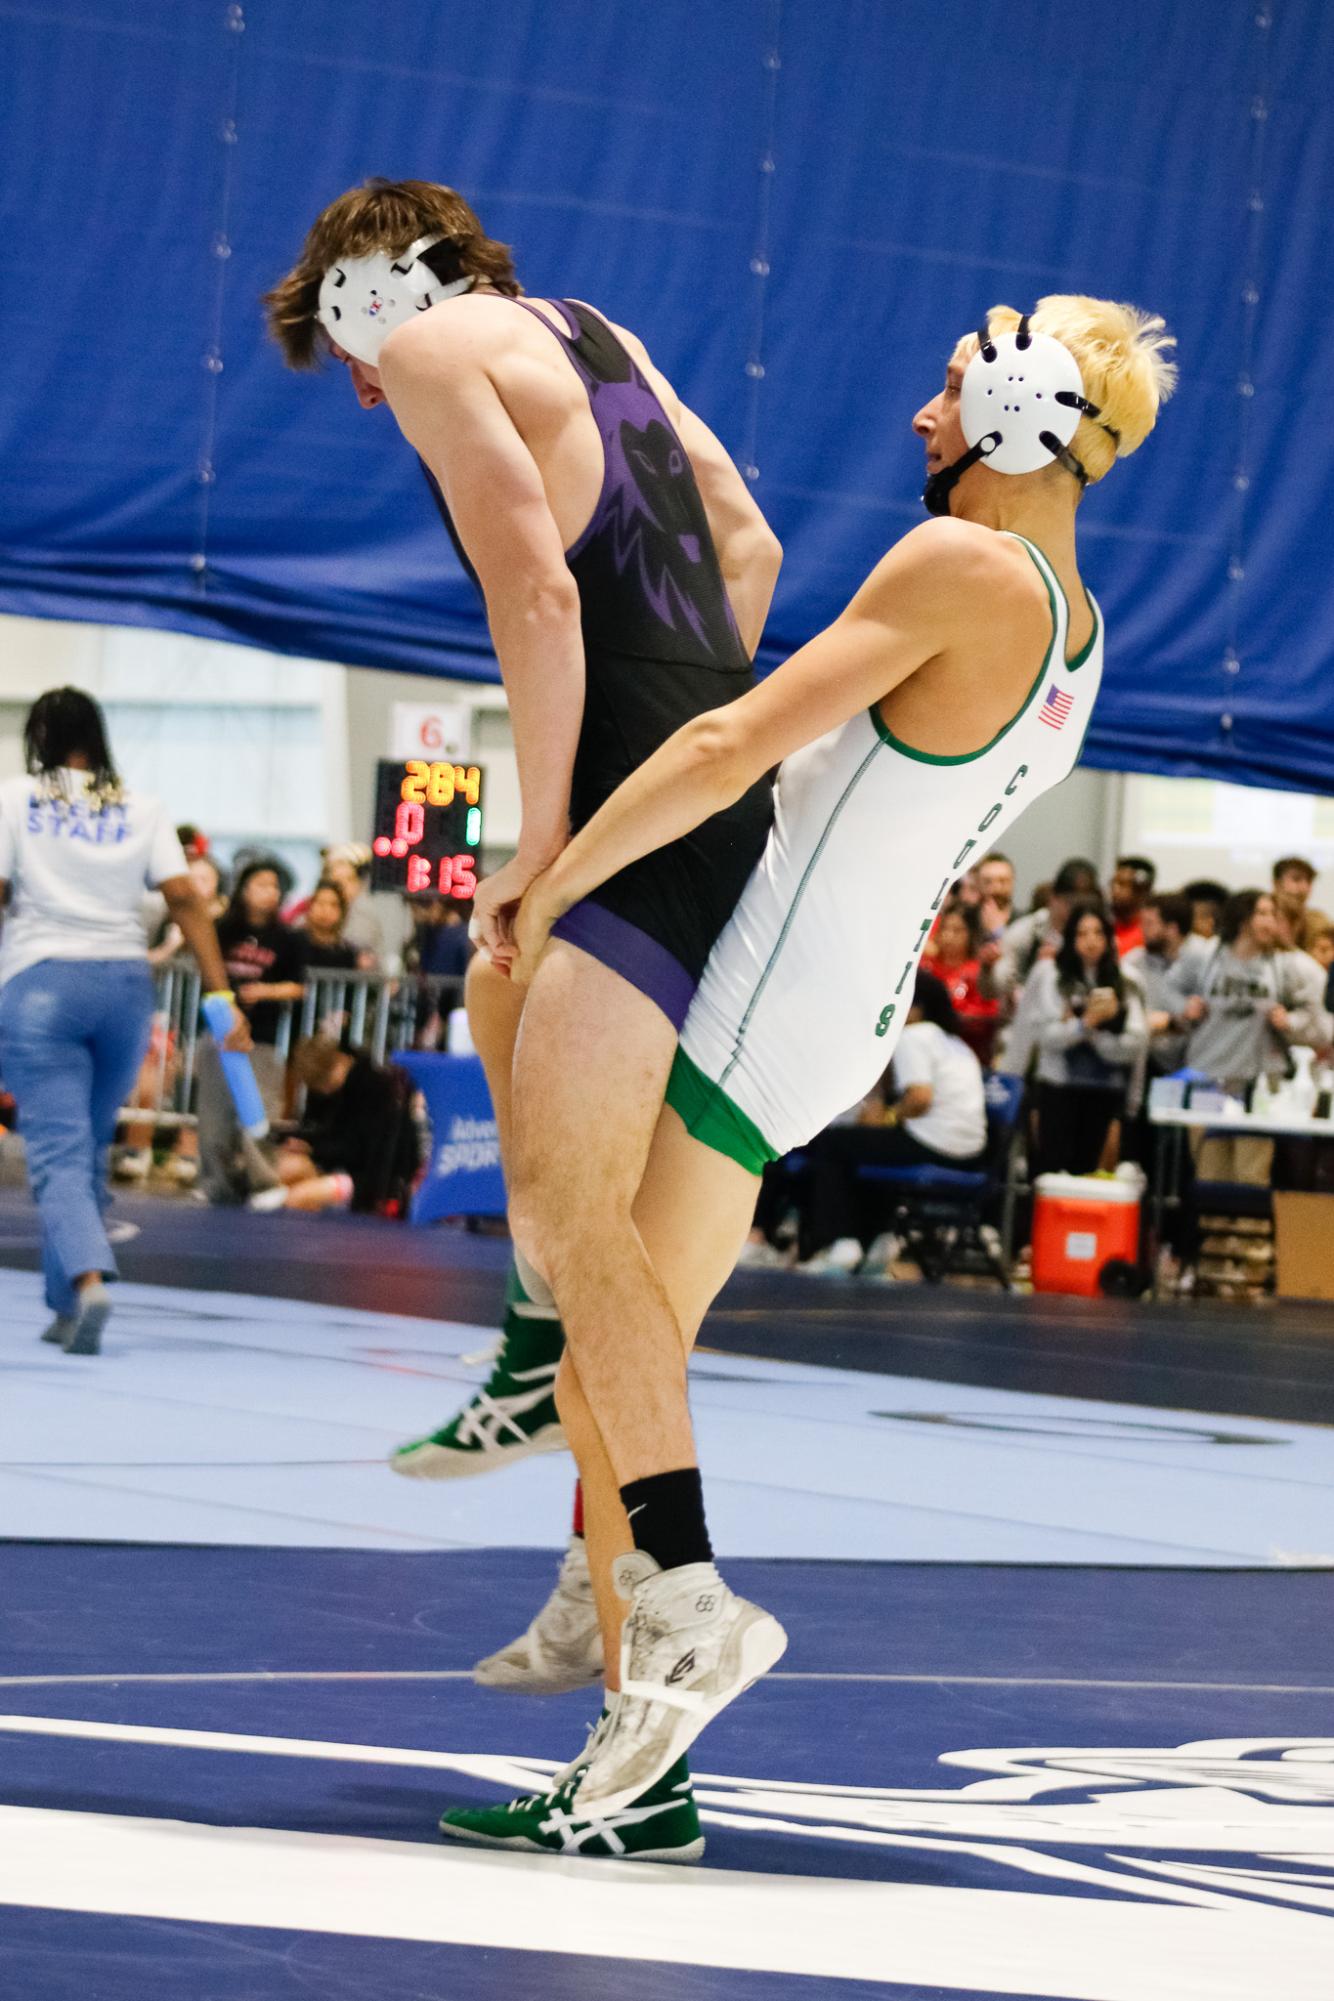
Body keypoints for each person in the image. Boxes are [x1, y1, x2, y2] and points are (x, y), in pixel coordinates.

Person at [482, 294, 1176, 1848]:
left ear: (1017, 413)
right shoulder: (1074, 612)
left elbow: (733, 745)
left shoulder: (959, 567)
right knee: (617, 1352)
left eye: (947, 390)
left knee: (602, 1344)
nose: (920, 418)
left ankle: (654, 1701)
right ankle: (632, 1719)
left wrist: (555, 874)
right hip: (827, 1014)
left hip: (761, 999)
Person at [266, 177, 782, 1556]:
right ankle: (555, 1444)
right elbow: (750, 542)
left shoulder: (437, 351)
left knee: (571, 1211)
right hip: (708, 776)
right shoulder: (601, 334)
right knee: (529, 1062)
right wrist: (694, 732)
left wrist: (540, 840)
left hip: (626, 785)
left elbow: (539, 597)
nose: (369, 395)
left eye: (350, 355)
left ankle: (660, 1589)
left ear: (375, 295)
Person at [0, 688, 245, 1354]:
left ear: (39, 736)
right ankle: (63, 1304)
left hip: (42, 981)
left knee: (55, 1150)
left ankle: (86, 1282)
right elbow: (188, 900)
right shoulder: (141, 806)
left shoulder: (17, 796)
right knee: (89, 1146)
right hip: (124, 988)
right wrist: (223, 1000)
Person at [795, 969, 987, 1273]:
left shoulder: (912, 1036)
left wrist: (887, 1116)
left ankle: (839, 1241)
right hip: (971, 1152)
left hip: (934, 1141)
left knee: (833, 1144)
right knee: (875, 1148)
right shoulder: (956, 1044)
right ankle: (880, 1240)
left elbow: (920, 1098)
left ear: (917, 1008)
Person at [1172, 887, 1331, 1183]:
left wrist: (1290, 1020)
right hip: (1208, 1077)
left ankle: (1240, 1230)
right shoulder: (1206, 955)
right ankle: (1214, 1230)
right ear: (1242, 919)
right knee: (1208, 1173)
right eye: (1262, 913)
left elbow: (1320, 1006)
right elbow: (1167, 990)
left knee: (1250, 1173)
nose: (1270, 922)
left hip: (1257, 1082)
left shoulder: (1287, 963)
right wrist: (1184, 1008)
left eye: (1273, 914)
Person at [1008, 897, 1148, 1176]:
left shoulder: (1127, 980)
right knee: (1048, 1169)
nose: (1091, 941)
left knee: (1090, 1174)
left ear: (1109, 938)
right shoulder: (1050, 975)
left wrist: (1095, 1036)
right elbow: (1045, 1036)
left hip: (1104, 1090)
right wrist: (1084, 1025)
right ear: (1070, 937)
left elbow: (1135, 1043)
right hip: (1057, 1087)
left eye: (1098, 933)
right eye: (1082, 933)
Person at [196, 858, 305, 1204]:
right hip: (217, 1035)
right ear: (243, 890)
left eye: (274, 886)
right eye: (261, 885)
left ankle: (264, 1183)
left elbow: (299, 986)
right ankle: (218, 1183)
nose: (269, 893)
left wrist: (266, 992)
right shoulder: (222, 929)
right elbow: (203, 968)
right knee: (214, 1120)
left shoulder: (287, 938)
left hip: (262, 1038)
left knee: (259, 1115)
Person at [249, 1035, 419, 1214]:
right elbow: (336, 1137)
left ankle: (266, 1205)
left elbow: (356, 1148)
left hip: (369, 1183)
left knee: (297, 1197)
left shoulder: (374, 1090)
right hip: (349, 1170)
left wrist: (312, 1148)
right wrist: (308, 1144)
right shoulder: (347, 1087)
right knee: (286, 1170)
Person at [1122, 890, 1193, 1075]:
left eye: (1149, 924)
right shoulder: (1133, 963)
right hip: (1147, 1061)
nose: (1142, 930)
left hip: (1192, 1062)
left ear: (1172, 928)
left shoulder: (1202, 961)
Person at [924, 897, 1002, 1062]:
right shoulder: (926, 968)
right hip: (924, 1051)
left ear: (971, 934)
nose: (948, 936)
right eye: (944, 928)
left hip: (965, 1055)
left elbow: (989, 1015)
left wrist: (954, 1017)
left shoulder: (978, 972)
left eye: (957, 930)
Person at [1271, 856, 1330, 955]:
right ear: (1276, 883)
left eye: (1309, 881)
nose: (1304, 888)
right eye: (1296, 879)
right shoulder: (1259, 917)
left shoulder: (1317, 920)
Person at [1108, 854, 1156, 955]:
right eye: (1113, 883)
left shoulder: (1151, 935)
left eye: (1122, 884)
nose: (1114, 890)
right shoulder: (1102, 930)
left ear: (1142, 890)